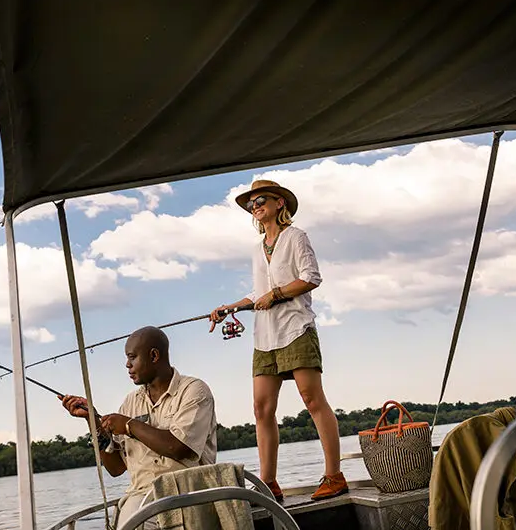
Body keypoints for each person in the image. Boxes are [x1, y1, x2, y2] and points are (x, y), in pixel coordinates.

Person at [209, 179, 346, 502]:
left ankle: (335, 476)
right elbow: (259, 294)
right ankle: (269, 485)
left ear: (279, 203)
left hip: (296, 328)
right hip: (265, 336)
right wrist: (230, 307)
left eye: (260, 201)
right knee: (261, 408)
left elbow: (311, 278)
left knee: (312, 400)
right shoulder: (257, 249)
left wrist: (277, 294)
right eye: (251, 204)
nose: (255, 207)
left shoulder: (296, 237)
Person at [59, 326, 217, 528]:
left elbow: (178, 448)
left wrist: (128, 425)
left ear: (153, 355)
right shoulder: (130, 402)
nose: (127, 365)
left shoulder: (194, 390)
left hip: (189, 496)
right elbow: (115, 468)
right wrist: (93, 421)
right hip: (142, 498)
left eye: (132, 357)